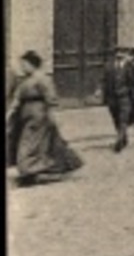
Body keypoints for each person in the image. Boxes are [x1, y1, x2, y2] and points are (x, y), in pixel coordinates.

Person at [7, 52, 83, 185]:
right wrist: (9, 114)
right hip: (26, 119)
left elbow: (51, 99)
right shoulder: (25, 80)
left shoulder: (43, 79)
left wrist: (53, 116)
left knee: (31, 146)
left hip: (40, 118)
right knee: (34, 146)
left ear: (32, 64)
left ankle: (30, 172)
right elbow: (17, 99)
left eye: (24, 64)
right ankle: (32, 172)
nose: (22, 67)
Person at [102, 46, 134, 152]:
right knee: (116, 118)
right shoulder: (108, 66)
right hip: (112, 97)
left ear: (126, 55)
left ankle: (118, 141)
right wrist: (99, 90)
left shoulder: (131, 67)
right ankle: (123, 137)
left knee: (123, 118)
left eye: (123, 52)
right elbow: (103, 80)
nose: (120, 54)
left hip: (125, 96)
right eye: (118, 52)